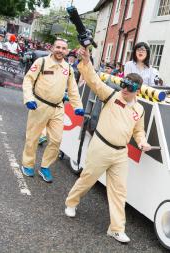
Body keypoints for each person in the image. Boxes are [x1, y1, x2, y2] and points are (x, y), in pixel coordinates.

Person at [64, 46, 151, 243]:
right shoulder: (111, 95)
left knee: (119, 191)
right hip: (101, 146)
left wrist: (142, 142)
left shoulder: (139, 109)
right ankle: (71, 202)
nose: (125, 90)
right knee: (87, 178)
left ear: (137, 90)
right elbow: (94, 80)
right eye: (124, 86)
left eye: (130, 88)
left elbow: (139, 131)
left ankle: (116, 228)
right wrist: (86, 61)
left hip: (121, 153)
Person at [21, 38, 84, 183]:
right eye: (58, 47)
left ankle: (45, 167)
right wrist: (29, 98)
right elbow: (28, 80)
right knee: (33, 137)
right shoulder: (41, 62)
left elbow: (73, 89)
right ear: (52, 48)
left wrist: (78, 107)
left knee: (56, 140)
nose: (60, 50)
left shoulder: (68, 68)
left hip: (58, 107)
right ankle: (27, 164)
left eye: (63, 48)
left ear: (67, 51)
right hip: (39, 105)